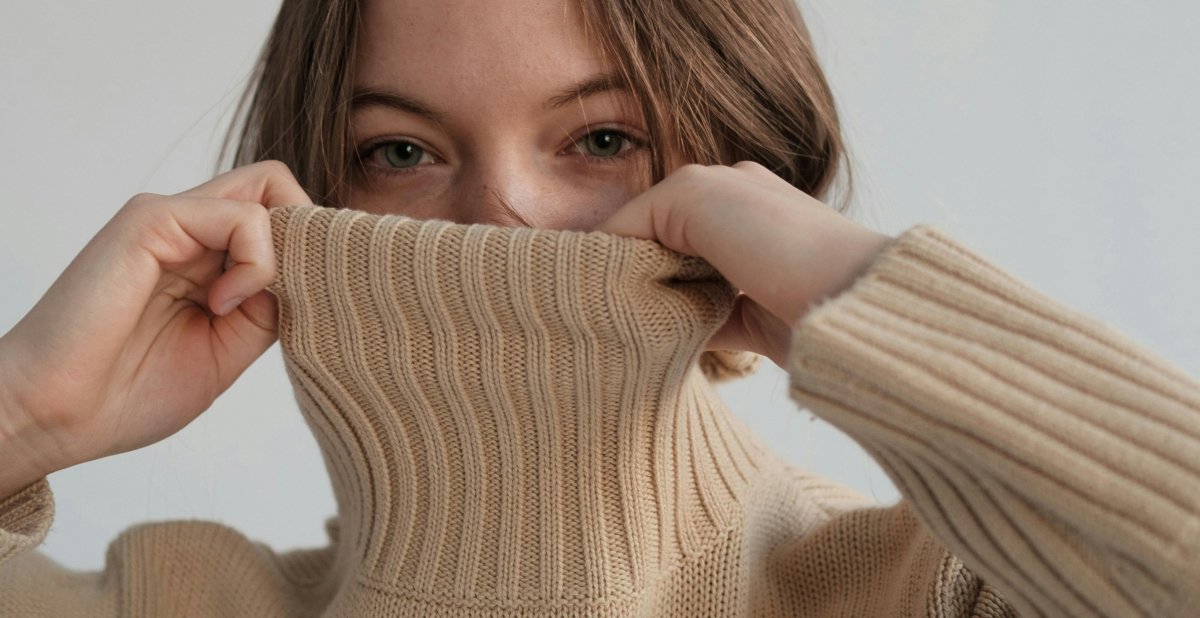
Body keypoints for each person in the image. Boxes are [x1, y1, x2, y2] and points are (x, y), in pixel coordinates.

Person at [0, 0, 1196, 616]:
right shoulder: (173, 607)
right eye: (401, 150)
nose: (499, 217)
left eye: (604, 138)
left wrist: (856, 292)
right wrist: (20, 419)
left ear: (744, 187)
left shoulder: (925, 594)